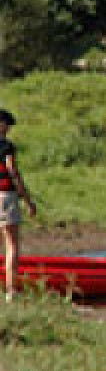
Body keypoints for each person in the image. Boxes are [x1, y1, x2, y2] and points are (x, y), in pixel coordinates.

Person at [0, 109, 36, 303]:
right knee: (12, 244)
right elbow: (11, 171)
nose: (8, 130)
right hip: (5, 197)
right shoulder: (6, 146)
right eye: (7, 125)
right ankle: (11, 291)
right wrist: (28, 200)